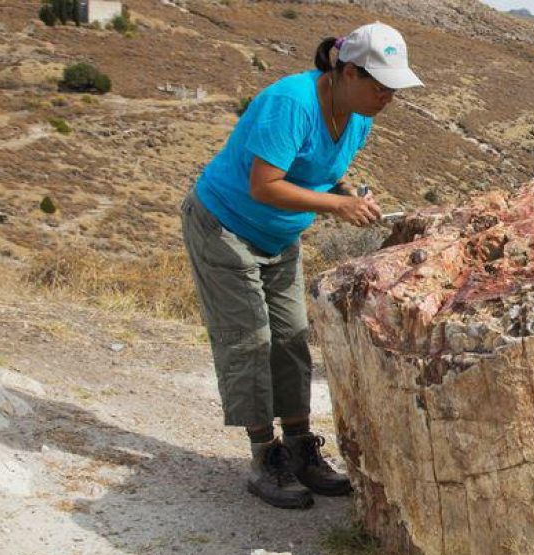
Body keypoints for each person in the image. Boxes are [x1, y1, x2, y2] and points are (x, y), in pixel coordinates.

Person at [180, 23, 423, 509]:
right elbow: (264, 184)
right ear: (348, 71)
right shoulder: (291, 102)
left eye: (395, 88)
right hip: (225, 226)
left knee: (291, 338)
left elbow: (321, 171)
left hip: (278, 236)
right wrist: (336, 209)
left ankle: (299, 447)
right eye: (381, 85)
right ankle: (263, 456)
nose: (388, 97)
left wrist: (346, 192)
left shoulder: (358, 115)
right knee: (249, 339)